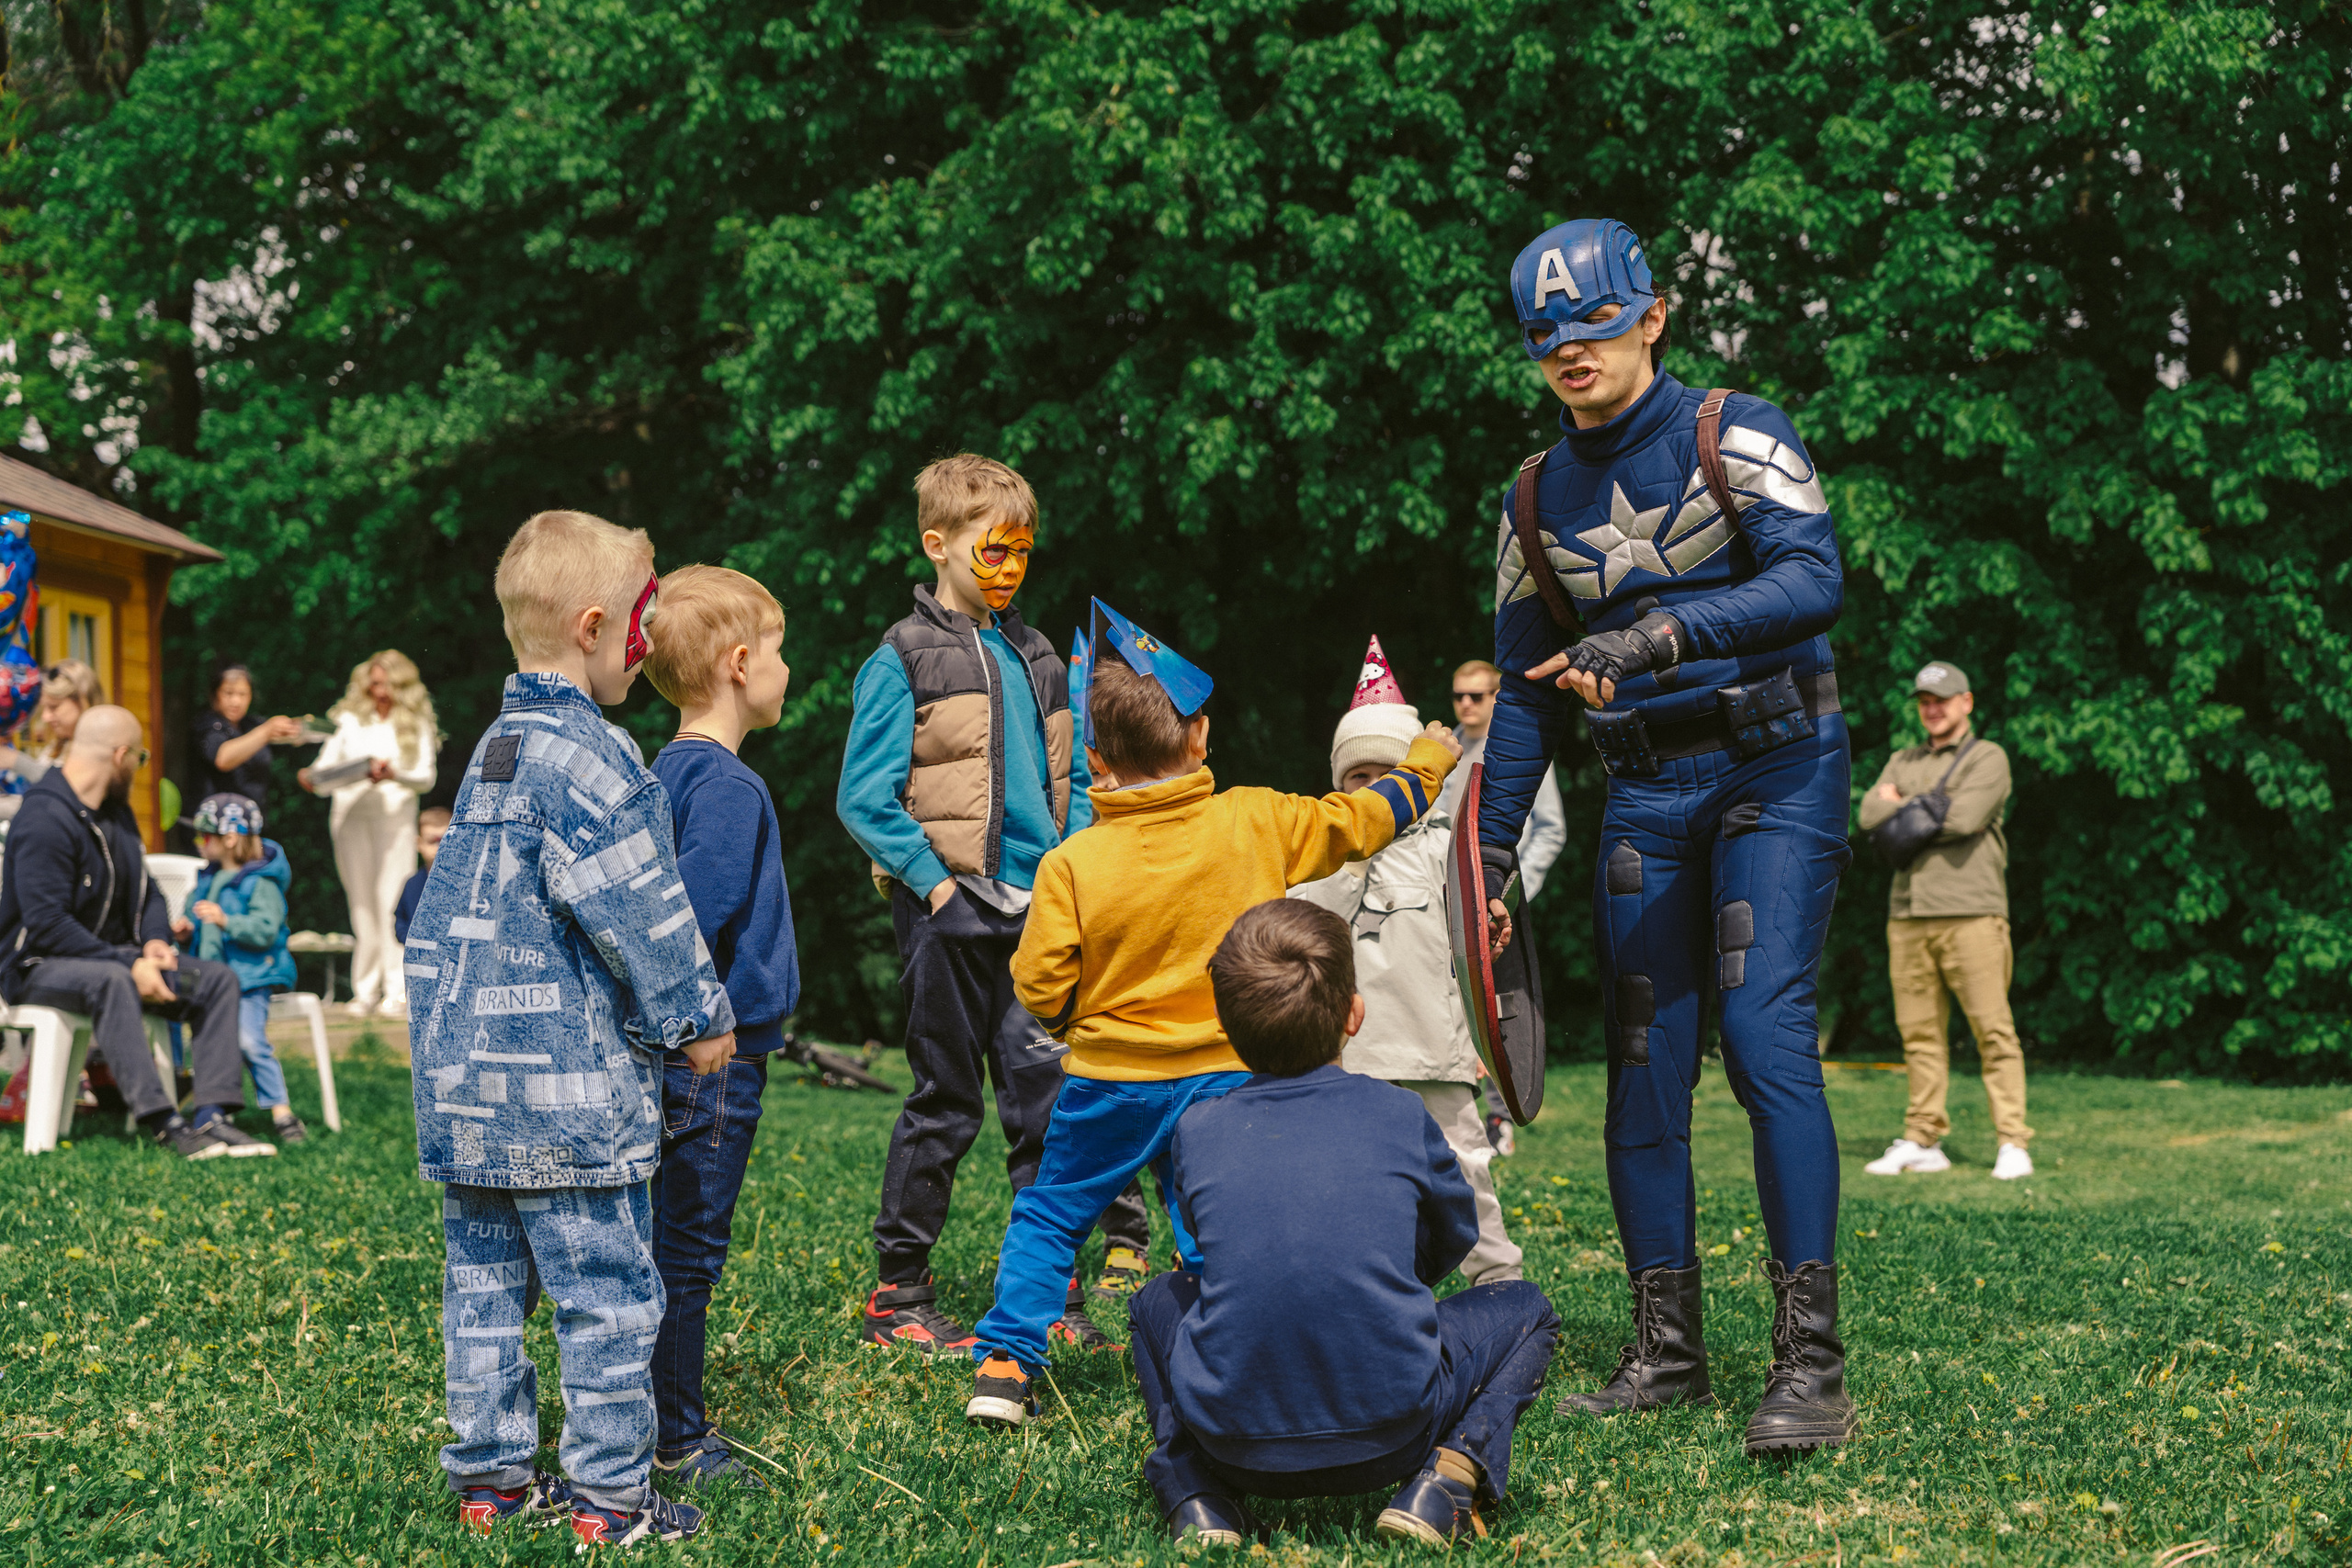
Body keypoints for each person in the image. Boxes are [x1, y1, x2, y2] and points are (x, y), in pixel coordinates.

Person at [1476, 219, 1854, 1455]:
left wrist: (1656, 636)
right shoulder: (1533, 497)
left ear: (1651, 316)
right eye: (1544, 334)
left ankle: (1811, 1365)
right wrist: (1484, 864)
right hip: (1643, 794)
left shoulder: (1737, 431)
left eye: (1591, 323)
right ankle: (1667, 1353)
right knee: (1641, 1067)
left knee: (1762, 1033)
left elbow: (1813, 582)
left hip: (1775, 768)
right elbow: (1526, 694)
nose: (1568, 350)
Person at [965, 603, 1462, 1427]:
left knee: (1051, 1214)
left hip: (1110, 1078)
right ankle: (1228, 1344)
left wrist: (1080, 1017)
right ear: (1201, 740)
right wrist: (1426, 762)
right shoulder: (1259, 820)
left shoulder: (1072, 862)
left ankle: (1007, 1363)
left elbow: (1039, 984)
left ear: (1096, 760)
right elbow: (1364, 821)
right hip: (1231, 1076)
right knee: (1213, 1220)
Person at [411, 509, 734, 1548]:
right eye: (643, 617)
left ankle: (492, 1482)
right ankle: (610, 1500)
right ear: (595, 626)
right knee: (605, 1295)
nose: (649, 642)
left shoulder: (494, 750)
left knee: (485, 1293)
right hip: (567, 1098)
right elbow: (640, 903)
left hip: (470, 1096)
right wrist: (697, 1018)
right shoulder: (594, 758)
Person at [1127, 899, 1560, 1547]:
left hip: (1232, 1441)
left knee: (1154, 1299)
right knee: (1528, 1306)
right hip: (1395, 1432)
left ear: (1223, 1022)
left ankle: (1194, 1489)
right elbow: (1454, 1235)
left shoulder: (1199, 1127)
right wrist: (1378, 1274)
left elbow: (1213, 1247)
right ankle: (1447, 1476)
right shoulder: (1400, 1113)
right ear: (1355, 1014)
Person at [835, 455, 1111, 1358]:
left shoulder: (1038, 657)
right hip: (944, 912)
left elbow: (1067, 783)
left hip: (1034, 911)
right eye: (992, 549)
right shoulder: (903, 657)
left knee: (1045, 1104)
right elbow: (863, 798)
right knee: (945, 1101)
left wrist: (1065, 881)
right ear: (940, 545)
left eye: (1021, 551)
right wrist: (937, 884)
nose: (1009, 567)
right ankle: (900, 1295)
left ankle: (1052, 1291)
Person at [1290, 636, 1522, 1285]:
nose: (1373, 790)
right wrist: (1358, 838)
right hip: (1349, 1056)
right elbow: (1312, 921)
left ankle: (1500, 1283)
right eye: (1357, 779)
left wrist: (1484, 1026)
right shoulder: (1324, 849)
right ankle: (1363, 1288)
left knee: (1464, 1168)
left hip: (1435, 1048)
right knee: (1355, 1182)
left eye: (1388, 775)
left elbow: (1477, 945)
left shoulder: (1448, 848)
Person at [641, 564, 800, 1491]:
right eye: (777, 651)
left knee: (661, 1238)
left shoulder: (666, 770)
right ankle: (676, 1439)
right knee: (687, 1249)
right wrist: (699, 1019)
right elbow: (693, 914)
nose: (786, 669)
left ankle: (638, 1409)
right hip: (711, 1060)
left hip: (678, 1055)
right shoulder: (729, 784)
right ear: (740, 664)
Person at [0, 705, 273, 1158]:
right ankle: (164, 1123)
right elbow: (48, 928)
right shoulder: (44, 818)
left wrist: (154, 942)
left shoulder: (117, 815)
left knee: (213, 982)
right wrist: (131, 963)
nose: (141, 769)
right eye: (141, 759)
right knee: (111, 982)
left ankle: (213, 1116)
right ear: (121, 755)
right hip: (39, 970)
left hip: (125, 964)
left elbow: (148, 895)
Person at [1856, 661, 2030, 1180]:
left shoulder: (1988, 757)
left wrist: (1903, 803)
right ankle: (1923, 1139)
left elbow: (1964, 818)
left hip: (1972, 914)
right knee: (1919, 1036)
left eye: (1943, 699)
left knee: (1994, 1033)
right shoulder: (1902, 757)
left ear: (1967, 702)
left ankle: (2013, 1142)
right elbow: (1867, 814)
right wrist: (1926, 805)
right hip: (1907, 914)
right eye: (1925, 700)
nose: (1932, 708)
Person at [1440, 657, 1569, 1156]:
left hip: (1496, 904)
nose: (1467, 705)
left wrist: (1512, 892)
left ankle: (1500, 1117)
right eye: (1459, 696)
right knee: (1452, 1007)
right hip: (1447, 898)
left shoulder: (1521, 752)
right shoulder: (1446, 749)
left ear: (1498, 697)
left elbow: (1550, 829)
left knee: (1494, 1006)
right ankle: (1459, 1113)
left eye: (1477, 695)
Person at [301, 649, 437, 1018]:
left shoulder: (415, 722)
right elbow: (325, 767)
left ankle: (396, 989)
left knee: (391, 899)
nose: (378, 690)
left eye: (386, 683)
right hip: (350, 816)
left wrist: (394, 774)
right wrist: (312, 777)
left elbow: (426, 777)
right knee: (360, 903)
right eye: (373, 683)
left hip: (394, 818)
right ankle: (363, 991)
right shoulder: (348, 719)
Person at [181, 793, 308, 1145]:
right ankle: (216, 1109)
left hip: (251, 979)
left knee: (250, 1042)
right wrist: (187, 930)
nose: (198, 843)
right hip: (211, 983)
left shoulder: (261, 882)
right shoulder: (206, 879)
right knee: (210, 1044)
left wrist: (226, 921)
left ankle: (282, 1112)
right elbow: (195, 915)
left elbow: (266, 930)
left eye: (203, 836)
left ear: (230, 838)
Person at [192, 666, 304, 808]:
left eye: (243, 694)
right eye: (228, 693)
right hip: (217, 821)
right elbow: (223, 759)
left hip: (253, 818)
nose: (236, 702)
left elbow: (292, 738)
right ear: (215, 695)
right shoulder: (207, 725)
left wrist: (301, 731)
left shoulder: (252, 724)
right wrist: (266, 732)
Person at [0, 657, 104, 787]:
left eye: (54, 707)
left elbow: (71, 793)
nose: (45, 717)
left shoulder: (102, 752)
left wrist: (15, 761)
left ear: (83, 702)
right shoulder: (57, 746)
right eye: (44, 708)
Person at [391, 806, 450, 944]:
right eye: (432, 841)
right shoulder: (412, 884)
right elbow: (400, 919)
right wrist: (413, 941)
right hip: (418, 958)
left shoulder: (464, 883)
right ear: (419, 843)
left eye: (444, 840)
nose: (438, 847)